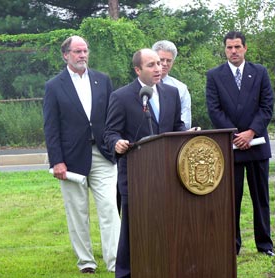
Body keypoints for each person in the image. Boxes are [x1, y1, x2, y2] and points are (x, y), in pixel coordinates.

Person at [104, 48, 198, 278]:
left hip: (168, 175)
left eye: (159, 63)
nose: (158, 68)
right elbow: (110, 132)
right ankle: (126, 273)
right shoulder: (122, 96)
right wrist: (117, 143)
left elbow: (176, 128)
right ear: (138, 69)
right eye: (151, 65)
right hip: (137, 175)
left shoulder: (171, 93)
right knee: (133, 228)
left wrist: (187, 135)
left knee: (167, 225)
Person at [43, 35, 121, 274]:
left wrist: (113, 143)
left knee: (109, 208)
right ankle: (86, 261)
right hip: (71, 158)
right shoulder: (54, 86)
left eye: (85, 51)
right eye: (77, 52)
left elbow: (112, 117)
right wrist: (57, 161)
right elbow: (51, 126)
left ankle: (115, 261)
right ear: (66, 55)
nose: (83, 55)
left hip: (103, 154)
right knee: (77, 212)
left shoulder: (102, 80)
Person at [206, 31, 274, 256]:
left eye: (237, 47)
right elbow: (214, 110)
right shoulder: (214, 75)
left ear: (245, 48)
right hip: (230, 146)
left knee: (261, 199)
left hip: (257, 145)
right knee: (231, 200)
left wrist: (251, 133)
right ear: (224, 49)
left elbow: (267, 107)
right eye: (229, 47)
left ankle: (265, 245)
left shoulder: (260, 72)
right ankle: (232, 246)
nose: (233, 51)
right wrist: (236, 135)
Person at [152, 40, 192, 129]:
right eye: (161, 59)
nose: (165, 64)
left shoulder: (181, 88)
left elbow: (185, 121)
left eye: (169, 60)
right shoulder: (142, 86)